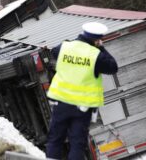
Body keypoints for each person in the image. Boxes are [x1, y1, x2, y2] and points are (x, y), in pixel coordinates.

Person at [46, 22, 118, 160]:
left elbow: (54, 52)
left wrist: (74, 43)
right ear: (97, 39)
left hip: (61, 102)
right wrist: (101, 48)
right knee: (77, 143)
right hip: (82, 107)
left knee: (55, 139)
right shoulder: (96, 55)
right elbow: (113, 67)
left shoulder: (65, 47)